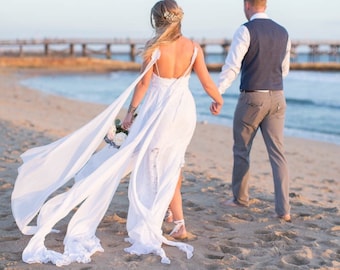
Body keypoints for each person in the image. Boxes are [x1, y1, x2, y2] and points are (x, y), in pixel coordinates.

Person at [11, 0, 223, 266]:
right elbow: (205, 81)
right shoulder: (194, 48)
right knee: (171, 163)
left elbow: (145, 84)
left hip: (158, 112)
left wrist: (130, 113)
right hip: (183, 113)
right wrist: (218, 100)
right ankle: (177, 221)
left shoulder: (154, 48)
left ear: (156, 21)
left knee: (150, 164)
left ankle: (165, 218)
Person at [218, 0, 291, 222]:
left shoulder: (245, 30)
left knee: (242, 150)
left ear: (247, 5)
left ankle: (240, 199)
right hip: (278, 96)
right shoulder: (283, 32)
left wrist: (217, 92)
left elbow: (232, 66)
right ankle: (283, 210)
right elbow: (284, 70)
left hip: (252, 97)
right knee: (278, 154)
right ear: (265, 4)